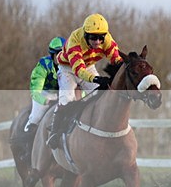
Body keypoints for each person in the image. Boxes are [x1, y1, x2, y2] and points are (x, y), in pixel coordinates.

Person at [46, 13, 122, 148]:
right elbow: (79, 71)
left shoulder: (107, 40)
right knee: (66, 100)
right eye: (93, 37)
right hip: (68, 68)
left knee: (102, 95)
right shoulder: (75, 41)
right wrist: (96, 78)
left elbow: (117, 60)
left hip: (88, 65)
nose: (98, 42)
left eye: (100, 37)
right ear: (86, 35)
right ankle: (54, 131)